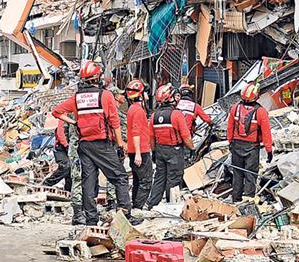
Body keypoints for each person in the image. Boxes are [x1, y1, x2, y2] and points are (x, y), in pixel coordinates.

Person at [47, 60, 130, 226]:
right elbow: (114, 122)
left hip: (84, 146)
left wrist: (73, 123)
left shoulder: (77, 98)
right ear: (97, 77)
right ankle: (125, 215)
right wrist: (121, 143)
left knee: (88, 182)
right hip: (102, 145)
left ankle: (91, 219)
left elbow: (56, 112)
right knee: (120, 177)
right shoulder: (105, 95)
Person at [147, 84, 194, 208]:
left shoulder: (154, 116)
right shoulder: (176, 115)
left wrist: (154, 152)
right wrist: (192, 148)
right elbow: (186, 136)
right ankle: (171, 205)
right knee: (174, 178)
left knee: (159, 177)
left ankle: (153, 203)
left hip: (160, 150)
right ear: (170, 98)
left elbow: (151, 138)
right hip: (175, 150)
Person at [226, 82, 273, 202]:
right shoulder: (261, 112)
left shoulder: (235, 108)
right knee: (250, 174)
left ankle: (236, 199)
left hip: (236, 145)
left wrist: (230, 141)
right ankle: (247, 201)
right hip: (252, 147)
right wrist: (269, 150)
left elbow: (230, 127)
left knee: (237, 173)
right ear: (256, 96)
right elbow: (266, 132)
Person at [124, 79, 153, 210]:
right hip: (140, 151)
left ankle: (136, 205)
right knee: (146, 181)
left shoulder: (132, 109)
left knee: (137, 180)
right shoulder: (137, 111)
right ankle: (138, 207)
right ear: (140, 95)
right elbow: (136, 132)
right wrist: (138, 153)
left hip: (135, 150)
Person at [41, 103, 72, 194]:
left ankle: (68, 190)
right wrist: (66, 145)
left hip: (71, 147)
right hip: (61, 148)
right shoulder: (65, 117)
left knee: (71, 170)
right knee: (65, 166)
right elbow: (61, 133)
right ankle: (47, 184)